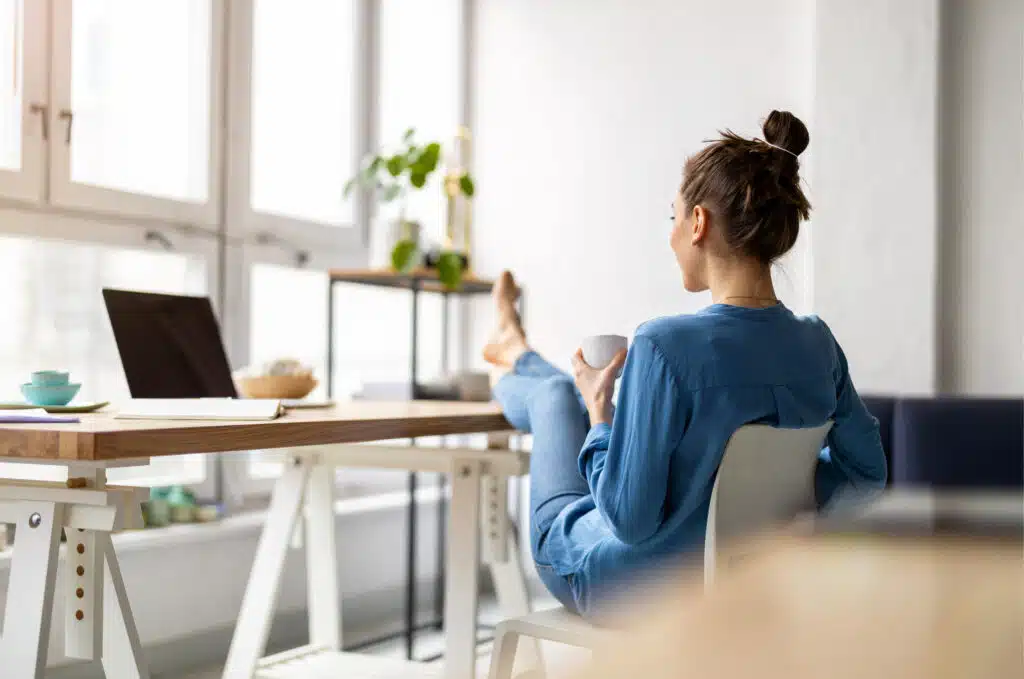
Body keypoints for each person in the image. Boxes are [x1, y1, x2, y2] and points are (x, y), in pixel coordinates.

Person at [483, 110, 888, 617]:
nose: (671, 233)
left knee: (555, 397)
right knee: (567, 390)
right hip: (746, 588)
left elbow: (629, 522)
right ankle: (516, 350)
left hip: (633, 589)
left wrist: (601, 420)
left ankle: (512, 357)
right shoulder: (818, 344)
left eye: (672, 216)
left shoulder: (662, 346)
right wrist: (776, 500)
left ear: (698, 222)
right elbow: (867, 477)